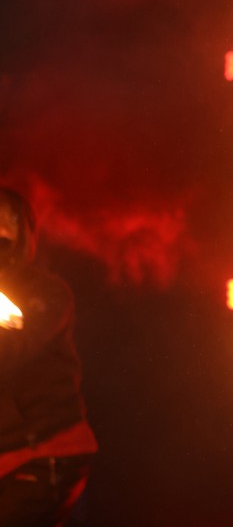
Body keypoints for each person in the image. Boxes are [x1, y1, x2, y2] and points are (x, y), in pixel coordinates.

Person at [0, 187, 98, 526]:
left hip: (44, 456)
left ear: (23, 234)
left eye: (6, 222)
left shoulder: (46, 293)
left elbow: (9, 353)